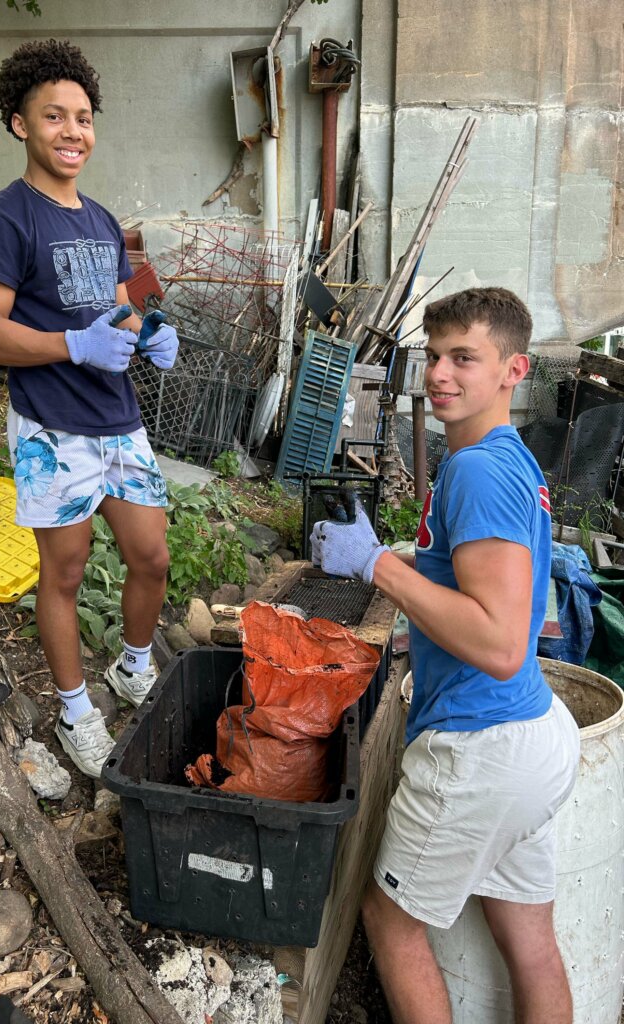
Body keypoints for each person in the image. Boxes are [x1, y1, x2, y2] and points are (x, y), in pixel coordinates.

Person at [311, 288, 580, 1024]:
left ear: (512, 370)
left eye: (465, 357)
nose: (439, 373)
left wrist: (379, 569)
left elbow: (495, 642)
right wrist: (410, 558)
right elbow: (489, 578)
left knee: (390, 922)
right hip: (533, 734)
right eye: (433, 355)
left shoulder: (476, 471)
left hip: (480, 745)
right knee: (530, 944)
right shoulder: (505, 458)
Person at [0, 39, 178, 780]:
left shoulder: (100, 219)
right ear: (20, 123)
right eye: (53, 116)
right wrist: (72, 346)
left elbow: (117, 313)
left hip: (120, 422)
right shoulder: (1, 222)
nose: (72, 131)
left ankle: (133, 667)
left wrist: (146, 336)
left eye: (83, 117)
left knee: (152, 556)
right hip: (52, 428)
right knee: (66, 571)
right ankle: (76, 710)